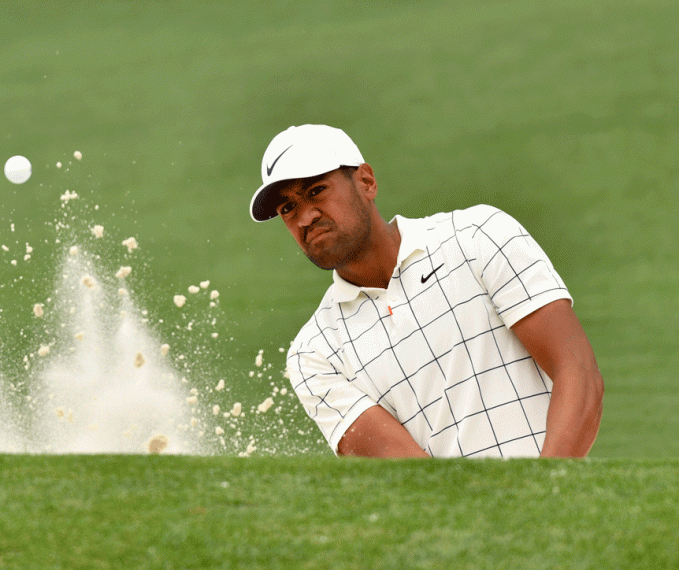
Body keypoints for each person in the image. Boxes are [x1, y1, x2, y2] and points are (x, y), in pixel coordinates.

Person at [250, 124, 603, 458]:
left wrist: (546, 493)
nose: (305, 218)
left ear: (366, 182)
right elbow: (412, 475)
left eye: (316, 191)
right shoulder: (314, 354)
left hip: (557, 510)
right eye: (287, 208)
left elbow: (577, 371)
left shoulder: (477, 236)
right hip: (461, 522)